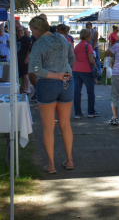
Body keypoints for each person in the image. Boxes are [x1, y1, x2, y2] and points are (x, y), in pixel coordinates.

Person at [28, 15, 75, 173]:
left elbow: (35, 69)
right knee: (65, 124)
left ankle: (51, 165)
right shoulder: (63, 38)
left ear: (37, 29)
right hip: (67, 82)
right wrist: (66, 72)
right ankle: (69, 160)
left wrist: (55, 75)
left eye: (32, 29)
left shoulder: (39, 44)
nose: (31, 32)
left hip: (47, 84)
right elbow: (72, 58)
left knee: (48, 127)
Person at [73, 29, 100, 119]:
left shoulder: (77, 46)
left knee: (77, 92)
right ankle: (91, 112)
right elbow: (91, 60)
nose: (91, 37)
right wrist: (95, 64)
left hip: (76, 70)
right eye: (90, 36)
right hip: (86, 70)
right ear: (86, 36)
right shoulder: (88, 46)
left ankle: (77, 113)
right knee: (90, 92)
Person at [16, 25, 31, 94]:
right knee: (21, 74)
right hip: (18, 58)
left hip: (24, 57)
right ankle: (23, 87)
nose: (20, 32)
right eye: (18, 31)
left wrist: (27, 58)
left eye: (21, 30)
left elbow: (28, 49)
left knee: (25, 74)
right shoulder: (16, 39)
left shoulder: (26, 38)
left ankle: (28, 88)